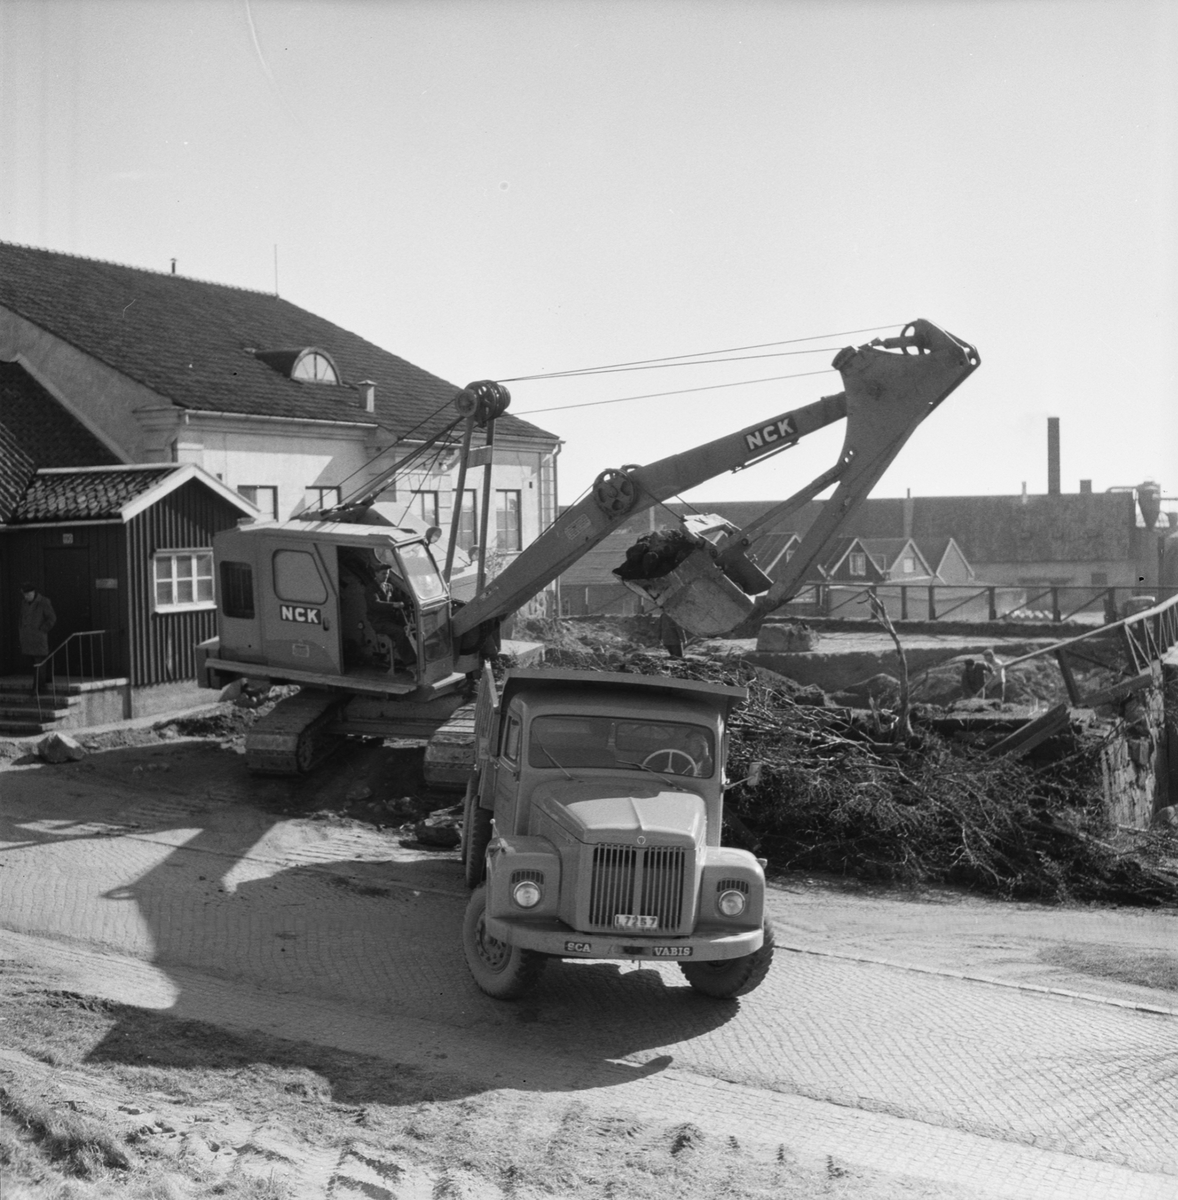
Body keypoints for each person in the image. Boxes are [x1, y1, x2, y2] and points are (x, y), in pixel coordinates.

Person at [19, 581, 56, 694]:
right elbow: (22, 618)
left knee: (39, 662)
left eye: (28, 594)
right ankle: (41, 684)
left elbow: (52, 618)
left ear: (33, 592)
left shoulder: (43, 602)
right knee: (35, 662)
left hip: (39, 638)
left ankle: (37, 688)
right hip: (28, 638)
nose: (26, 597)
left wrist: (42, 630)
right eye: (24, 595)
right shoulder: (24, 603)